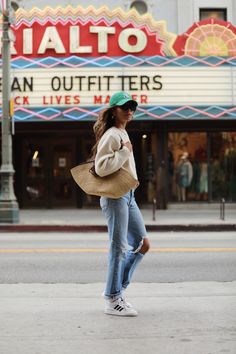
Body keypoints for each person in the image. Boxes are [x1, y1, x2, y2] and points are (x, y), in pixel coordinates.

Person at [92, 92, 150, 317]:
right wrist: (125, 151)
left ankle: (117, 290)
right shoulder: (112, 134)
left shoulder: (122, 132)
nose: (129, 110)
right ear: (113, 110)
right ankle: (113, 298)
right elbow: (101, 167)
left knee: (142, 243)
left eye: (132, 107)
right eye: (124, 107)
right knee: (118, 247)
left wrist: (125, 150)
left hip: (128, 196)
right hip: (115, 197)